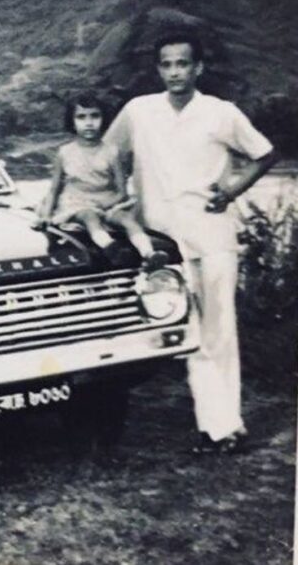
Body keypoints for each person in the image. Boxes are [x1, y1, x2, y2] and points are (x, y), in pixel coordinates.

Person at [104, 32, 280, 454]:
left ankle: (222, 429)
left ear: (198, 68)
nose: (174, 72)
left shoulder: (220, 113)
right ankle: (205, 424)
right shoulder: (139, 111)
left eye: (182, 64)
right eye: (166, 65)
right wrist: (119, 198)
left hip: (212, 236)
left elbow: (265, 153)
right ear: (158, 69)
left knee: (217, 332)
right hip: (159, 244)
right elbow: (109, 154)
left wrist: (232, 192)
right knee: (180, 331)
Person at [36, 92, 168, 270]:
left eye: (95, 116)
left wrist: (105, 205)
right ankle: (110, 248)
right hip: (77, 204)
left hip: (108, 202)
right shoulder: (65, 153)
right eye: (81, 117)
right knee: (90, 217)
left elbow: (121, 192)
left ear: (103, 119)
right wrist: (45, 215)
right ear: (72, 122)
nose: (89, 123)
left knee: (128, 221)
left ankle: (149, 254)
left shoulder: (112, 152)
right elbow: (54, 190)